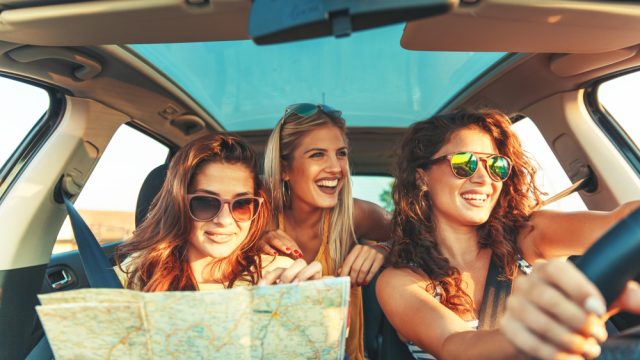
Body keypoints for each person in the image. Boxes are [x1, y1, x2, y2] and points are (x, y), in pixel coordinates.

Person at [375, 110, 640, 360]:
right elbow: (455, 346)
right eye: (464, 163)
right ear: (422, 178)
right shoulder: (400, 281)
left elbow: (618, 222)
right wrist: (535, 332)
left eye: (496, 166)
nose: (483, 178)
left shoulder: (527, 236)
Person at [262, 103, 393, 360]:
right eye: (317, 155)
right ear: (284, 169)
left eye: (341, 153)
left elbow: (416, 232)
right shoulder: (256, 215)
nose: (336, 168)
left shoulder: (355, 215)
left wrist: (383, 249)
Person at [116, 133, 322, 291]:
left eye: (242, 204)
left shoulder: (281, 275)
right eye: (205, 203)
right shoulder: (140, 272)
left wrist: (323, 312)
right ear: (179, 204)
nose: (224, 220)